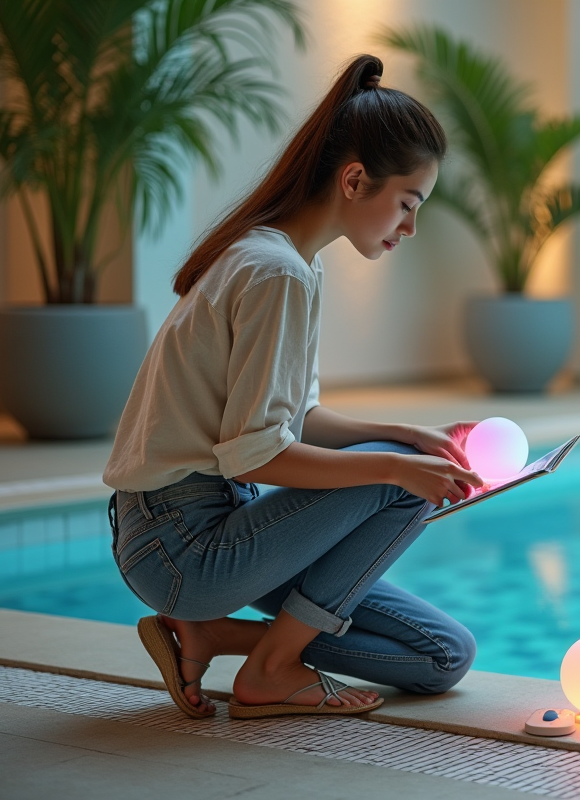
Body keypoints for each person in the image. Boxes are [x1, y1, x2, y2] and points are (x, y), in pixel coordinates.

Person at [103, 54, 485, 721]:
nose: (409, 227)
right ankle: (272, 668)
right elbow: (254, 454)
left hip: (211, 529)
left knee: (442, 657)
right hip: (183, 547)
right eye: (407, 204)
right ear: (355, 179)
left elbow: (293, 419)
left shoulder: (289, 262)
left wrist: (400, 434)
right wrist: (398, 466)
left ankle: (215, 636)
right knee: (402, 479)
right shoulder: (274, 271)